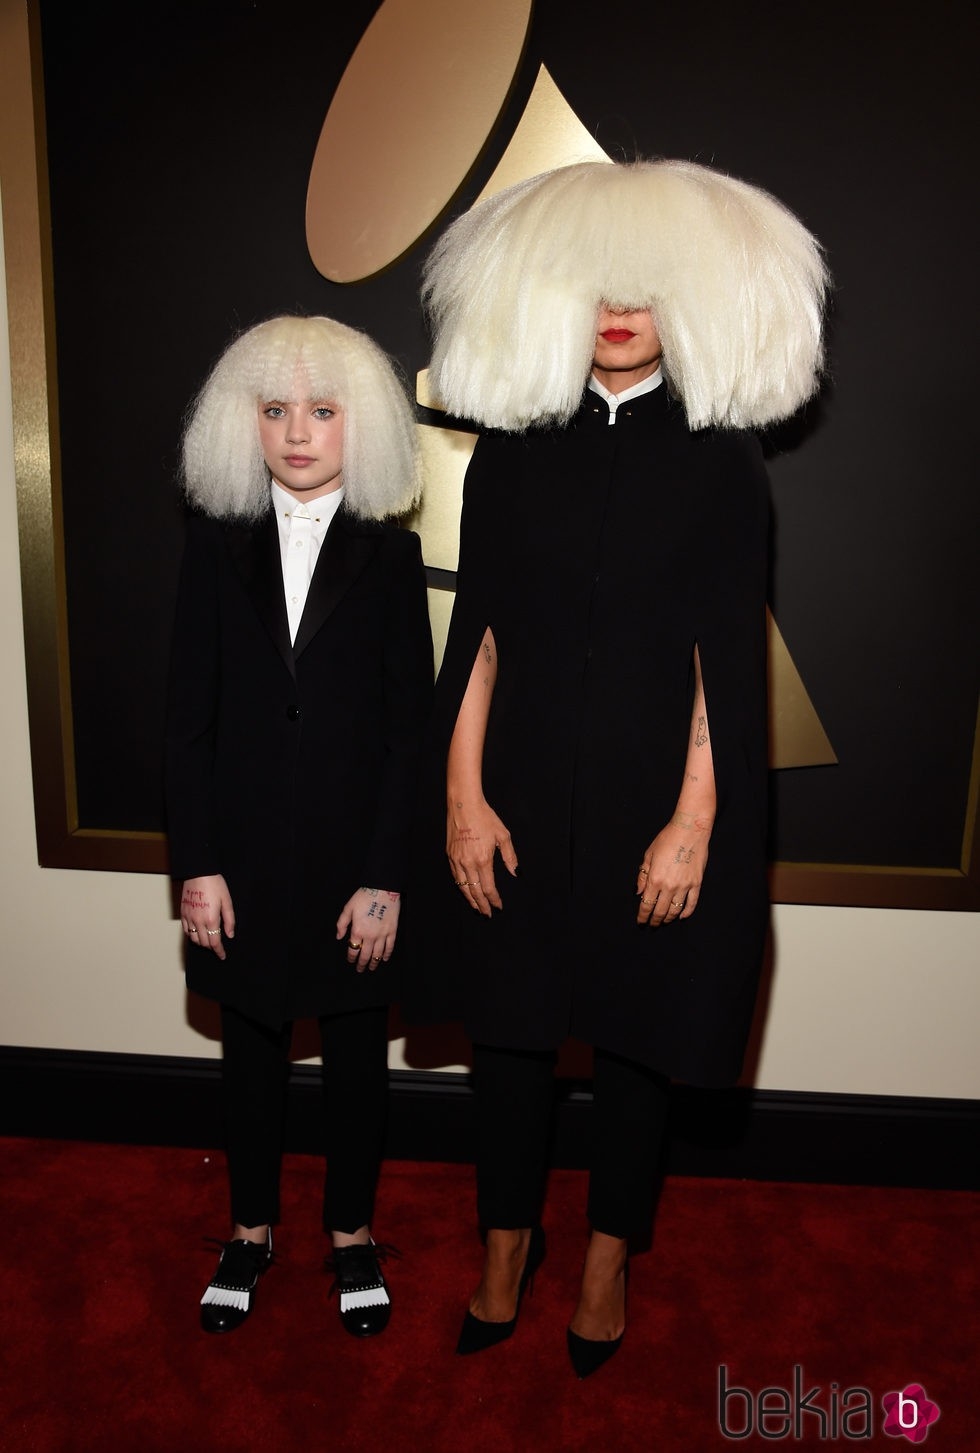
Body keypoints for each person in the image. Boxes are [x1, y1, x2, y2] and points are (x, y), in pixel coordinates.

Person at [413, 159, 828, 1376]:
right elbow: (477, 641)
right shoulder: (511, 452)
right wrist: (461, 799)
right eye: (598, 285)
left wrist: (693, 822)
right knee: (507, 1036)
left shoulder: (720, 463)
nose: (619, 310)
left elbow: (722, 667)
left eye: (645, 288)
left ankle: (604, 1262)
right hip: (517, 796)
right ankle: (504, 1250)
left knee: (639, 1040)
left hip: (653, 799)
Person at [165, 314, 432, 1337]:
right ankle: (248, 1232)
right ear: (244, 424)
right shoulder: (210, 549)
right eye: (275, 409)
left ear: (359, 424)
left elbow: (409, 734)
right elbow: (186, 725)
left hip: (353, 870)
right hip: (237, 871)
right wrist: (197, 865)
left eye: (321, 410)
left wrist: (385, 876)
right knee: (248, 1060)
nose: (296, 431)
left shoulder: (392, 556)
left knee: (358, 1063)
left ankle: (352, 1235)